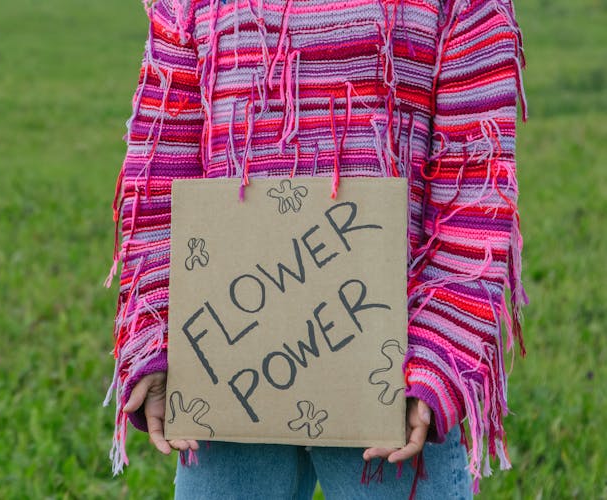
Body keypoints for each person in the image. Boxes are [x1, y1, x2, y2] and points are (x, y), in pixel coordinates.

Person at [103, 0, 528, 498]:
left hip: (393, 375)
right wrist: (156, 337)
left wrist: (442, 354)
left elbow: (475, 185)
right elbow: (158, 172)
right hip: (226, 366)